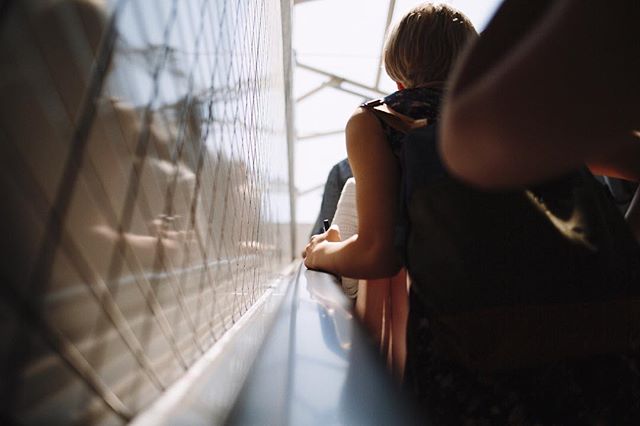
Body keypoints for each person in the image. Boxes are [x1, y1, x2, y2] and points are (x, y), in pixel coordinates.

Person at [304, 3, 640, 423]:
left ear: (396, 73)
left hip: (473, 349)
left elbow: (377, 253)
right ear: (473, 64)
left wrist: (321, 253)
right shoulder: (524, 116)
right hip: (593, 337)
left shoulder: (382, 120)